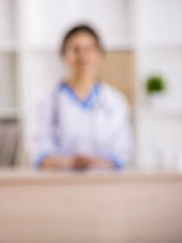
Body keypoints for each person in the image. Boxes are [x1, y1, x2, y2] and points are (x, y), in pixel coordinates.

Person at [28, 24, 132, 171]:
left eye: (89, 49)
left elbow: (122, 154)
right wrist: (70, 163)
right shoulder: (44, 100)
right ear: (63, 54)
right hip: (58, 186)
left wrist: (93, 163)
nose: (83, 56)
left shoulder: (116, 101)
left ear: (100, 54)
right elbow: (38, 153)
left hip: (104, 185)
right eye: (75, 49)